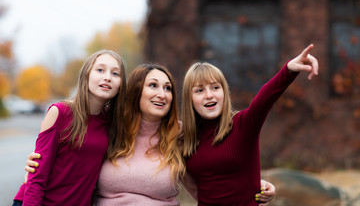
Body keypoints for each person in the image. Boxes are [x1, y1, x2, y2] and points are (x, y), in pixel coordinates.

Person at [22, 64, 276, 205]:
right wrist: (37, 164)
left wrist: (254, 185)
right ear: (135, 93)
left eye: (167, 88)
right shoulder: (110, 128)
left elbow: (210, 181)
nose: (162, 93)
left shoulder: (180, 134)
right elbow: (71, 163)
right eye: (152, 86)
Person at [181, 44, 319, 205]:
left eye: (215, 87)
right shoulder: (184, 137)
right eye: (199, 90)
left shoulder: (243, 125)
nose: (209, 95)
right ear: (189, 98)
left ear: (224, 92)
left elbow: (264, 98)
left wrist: (289, 70)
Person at [12, 49, 127, 206]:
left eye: (115, 74)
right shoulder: (60, 112)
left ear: (121, 85)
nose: (107, 77)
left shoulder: (114, 123)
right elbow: (37, 174)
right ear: (86, 76)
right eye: (100, 70)